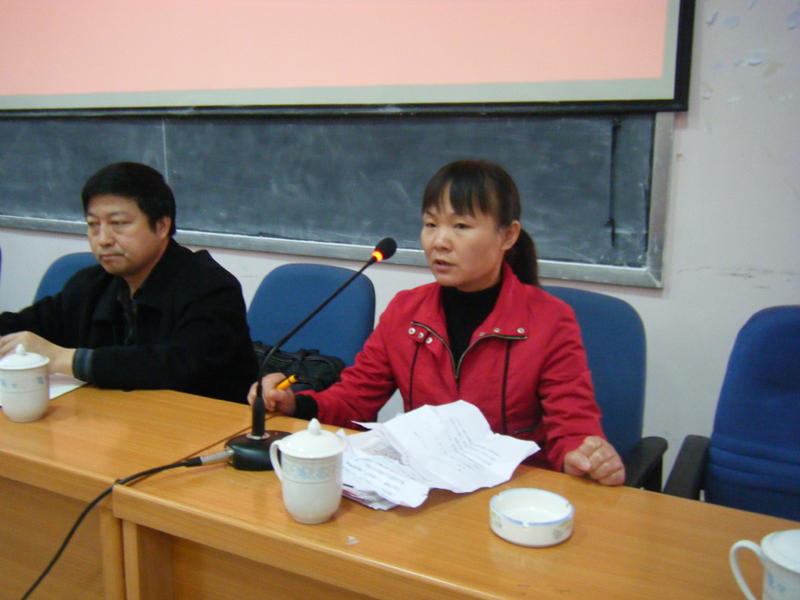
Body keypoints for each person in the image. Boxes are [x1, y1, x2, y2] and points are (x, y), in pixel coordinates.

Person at [250, 159, 625, 485]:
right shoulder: (406, 312)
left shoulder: (550, 320)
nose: (439, 242)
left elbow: (573, 427)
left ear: (507, 235)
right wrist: (295, 404)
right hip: (426, 492)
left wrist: (585, 456)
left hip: (512, 493)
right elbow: (353, 400)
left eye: (461, 226)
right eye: (430, 224)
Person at [0, 162, 258, 404]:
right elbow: (28, 325)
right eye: (93, 225)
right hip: (117, 421)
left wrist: (65, 359)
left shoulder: (212, 288)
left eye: (118, 224)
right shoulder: (89, 284)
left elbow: (175, 366)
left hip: (201, 424)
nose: (103, 239)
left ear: (161, 226)